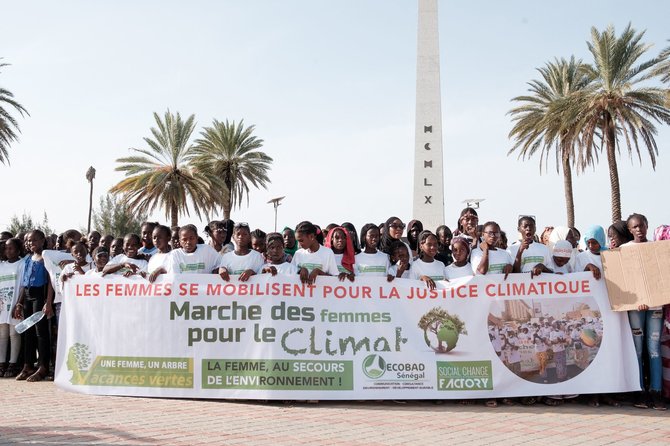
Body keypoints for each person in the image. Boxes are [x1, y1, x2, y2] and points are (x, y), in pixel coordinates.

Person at [622, 213, 665, 410]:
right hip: (635, 307)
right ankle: (640, 390)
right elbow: (624, 280)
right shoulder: (624, 251)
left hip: (656, 306)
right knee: (638, 350)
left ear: (647, 226)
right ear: (629, 230)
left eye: (641, 225)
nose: (639, 229)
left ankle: (656, 391)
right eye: (635, 227)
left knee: (654, 349)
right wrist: (638, 299)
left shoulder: (658, 248)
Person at [13, 230, 53, 382]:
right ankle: (28, 365)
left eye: (34, 240)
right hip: (28, 296)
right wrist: (19, 303)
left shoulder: (46, 256)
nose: (31, 243)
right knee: (27, 331)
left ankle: (43, 366)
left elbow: (50, 282)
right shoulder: (28, 258)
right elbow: (24, 283)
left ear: (42, 240)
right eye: (28, 240)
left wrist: (48, 302)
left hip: (40, 295)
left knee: (41, 332)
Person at [0, 238, 24, 378]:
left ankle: (13, 363)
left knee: (14, 333)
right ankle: (2, 362)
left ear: (18, 250)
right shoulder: (1, 265)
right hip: (2, 303)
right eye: (6, 248)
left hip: (15, 304)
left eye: (11, 248)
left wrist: (19, 304)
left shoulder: (21, 264)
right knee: (2, 334)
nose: (8, 251)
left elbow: (22, 286)